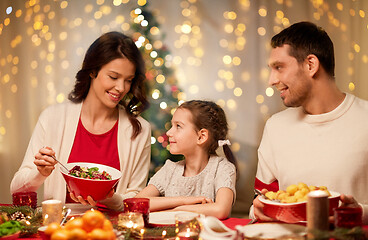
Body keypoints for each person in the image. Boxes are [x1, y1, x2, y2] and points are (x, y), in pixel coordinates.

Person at [10, 31, 151, 211]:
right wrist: (40, 173)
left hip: (111, 232)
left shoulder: (139, 130)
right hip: (60, 230)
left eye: (128, 80)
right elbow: (16, 189)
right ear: (93, 71)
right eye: (113, 77)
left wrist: (109, 198)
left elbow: (135, 198)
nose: (121, 88)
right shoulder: (52, 118)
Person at [251, 21, 368, 224]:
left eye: (279, 67)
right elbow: (261, 202)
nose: (271, 80)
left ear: (310, 65)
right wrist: (258, 210)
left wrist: (359, 214)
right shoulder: (275, 127)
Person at [136, 100, 237, 219]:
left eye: (178, 126)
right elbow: (136, 203)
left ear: (201, 136)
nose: (168, 132)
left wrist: (176, 211)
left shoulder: (222, 169)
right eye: (172, 125)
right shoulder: (170, 169)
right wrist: (185, 201)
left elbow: (221, 209)